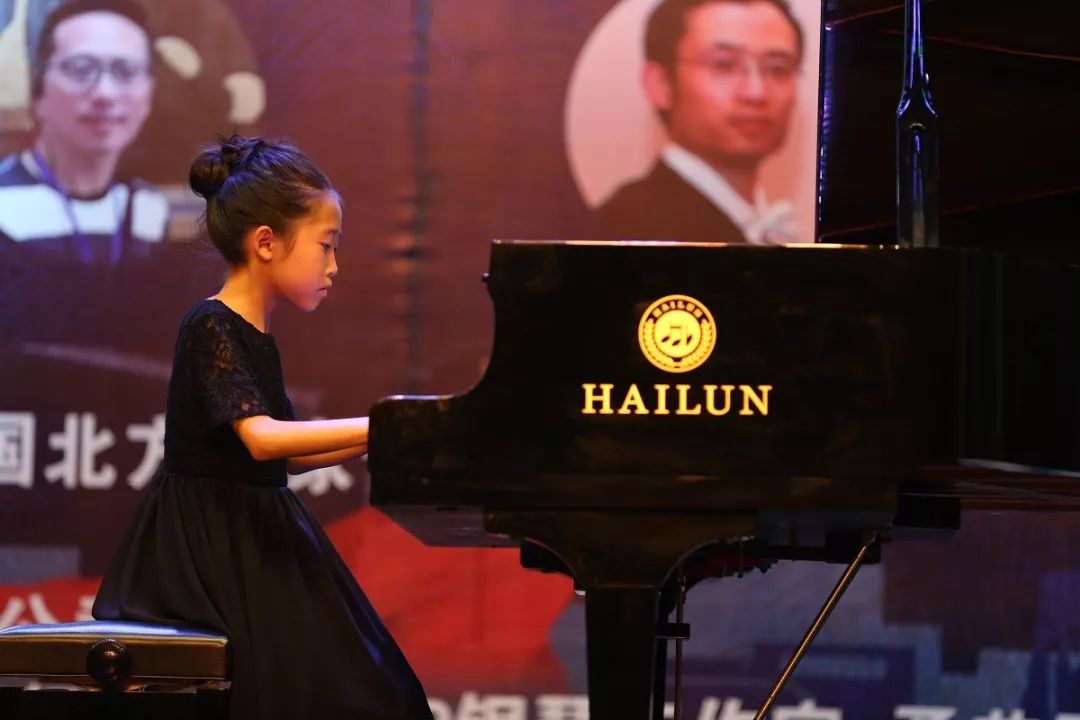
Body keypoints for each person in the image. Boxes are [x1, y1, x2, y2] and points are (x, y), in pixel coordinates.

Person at [91, 135, 434, 720]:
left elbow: (287, 456)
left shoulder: (253, 333)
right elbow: (263, 438)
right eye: (325, 246)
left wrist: (390, 433)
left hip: (251, 531)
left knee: (376, 684)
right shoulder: (210, 323)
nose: (334, 266)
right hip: (210, 549)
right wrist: (385, 424)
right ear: (267, 243)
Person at [596, 0, 803, 245]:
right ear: (660, 83)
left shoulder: (770, 224)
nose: (756, 92)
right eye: (724, 64)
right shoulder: (623, 230)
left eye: (778, 68)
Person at [0, 0, 167, 264]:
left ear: (149, 93)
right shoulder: (5, 206)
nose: (105, 93)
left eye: (125, 71)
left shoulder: (148, 211)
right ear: (38, 90)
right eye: (81, 69)